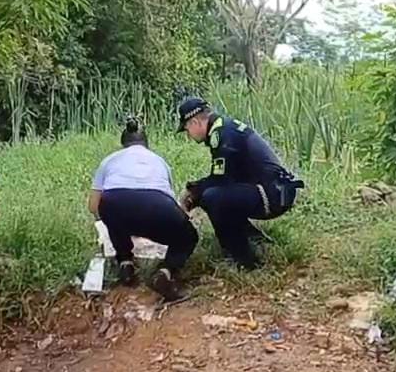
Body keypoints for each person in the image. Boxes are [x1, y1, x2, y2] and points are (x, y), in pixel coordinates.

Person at [176, 97, 304, 269]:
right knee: (212, 194)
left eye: (187, 130)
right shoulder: (224, 127)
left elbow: (221, 179)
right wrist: (196, 190)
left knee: (212, 197)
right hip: (275, 190)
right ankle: (254, 239)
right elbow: (227, 176)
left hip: (271, 195)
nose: (189, 135)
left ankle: (244, 260)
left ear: (195, 122)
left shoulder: (222, 134)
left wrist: (192, 192)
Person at [89, 117, 198, 302]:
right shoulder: (159, 161)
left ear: (123, 144)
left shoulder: (109, 160)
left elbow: (93, 205)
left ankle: (125, 263)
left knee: (113, 215)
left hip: (115, 202)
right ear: (146, 144)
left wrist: (116, 225)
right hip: (158, 204)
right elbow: (170, 203)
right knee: (188, 237)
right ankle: (165, 272)